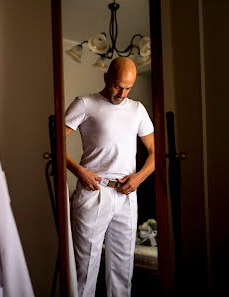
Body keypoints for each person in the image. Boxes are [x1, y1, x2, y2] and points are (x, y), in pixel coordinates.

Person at [65, 57, 155, 297]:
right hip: (94, 191)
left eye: (128, 88)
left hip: (127, 194)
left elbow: (157, 152)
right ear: (106, 77)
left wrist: (139, 177)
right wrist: (79, 171)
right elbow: (53, 141)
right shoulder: (85, 104)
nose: (122, 93)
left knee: (122, 271)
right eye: (118, 86)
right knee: (85, 269)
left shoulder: (137, 109)